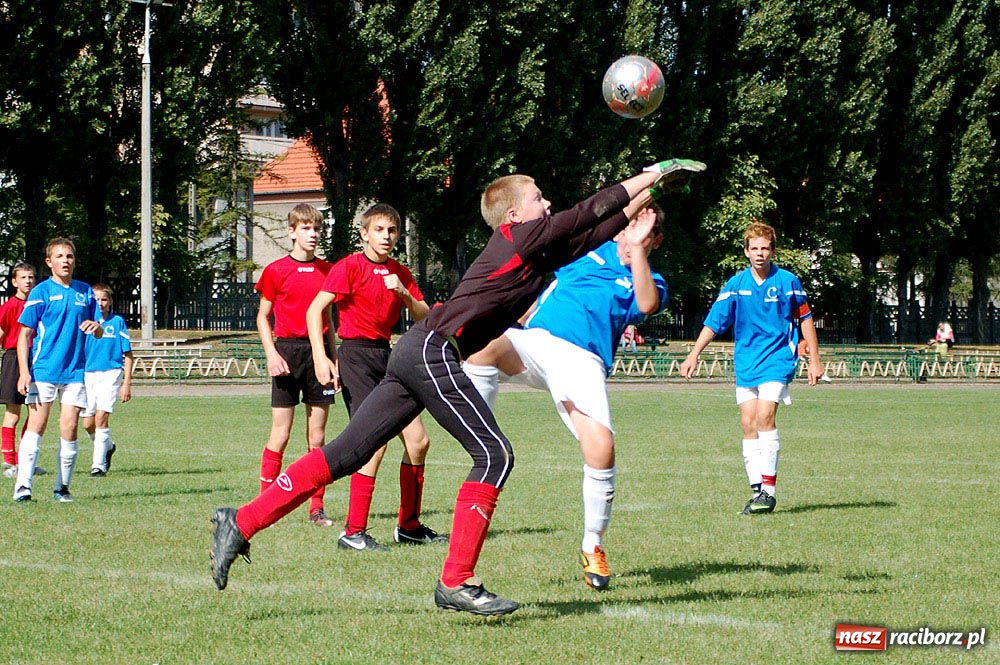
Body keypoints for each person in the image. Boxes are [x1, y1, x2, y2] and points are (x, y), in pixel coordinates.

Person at [210, 158, 706, 616]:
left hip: (415, 349)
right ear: (515, 213)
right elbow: (586, 212)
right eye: (538, 198)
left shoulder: (535, 250)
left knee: (343, 453)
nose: (547, 203)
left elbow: (599, 225)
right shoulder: (517, 236)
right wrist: (652, 171)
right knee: (495, 456)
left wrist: (647, 196)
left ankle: (243, 521)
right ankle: (456, 580)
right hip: (433, 350)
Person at [462, 206, 666, 591]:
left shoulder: (647, 276)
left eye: (643, 230)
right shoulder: (587, 250)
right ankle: (480, 441)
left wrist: (638, 249)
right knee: (480, 344)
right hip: (536, 344)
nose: (630, 235)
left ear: (655, 240)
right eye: (629, 226)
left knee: (601, 448)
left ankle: (593, 544)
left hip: (581, 361)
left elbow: (647, 306)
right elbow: (541, 284)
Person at [306, 203, 444, 552]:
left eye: (392, 231)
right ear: (364, 233)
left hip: (389, 356)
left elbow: (424, 314)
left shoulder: (399, 272)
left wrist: (405, 294)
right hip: (356, 357)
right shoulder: (348, 267)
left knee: (418, 441)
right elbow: (314, 311)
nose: (386, 236)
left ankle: (409, 526)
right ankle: (353, 532)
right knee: (374, 442)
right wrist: (322, 358)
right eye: (379, 230)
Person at [680, 221, 823, 515]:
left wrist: (815, 360)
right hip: (746, 361)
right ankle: (756, 488)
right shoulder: (736, 285)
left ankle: (769, 491)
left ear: (772, 251)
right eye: (754, 248)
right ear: (746, 252)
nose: (760, 253)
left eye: (765, 248)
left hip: (777, 359)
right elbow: (714, 322)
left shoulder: (787, 281)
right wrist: (694, 354)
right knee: (748, 423)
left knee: (764, 416)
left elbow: (806, 318)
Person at [254, 204, 338, 526]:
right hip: (287, 353)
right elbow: (263, 317)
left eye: (316, 229)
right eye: (306, 228)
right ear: (291, 232)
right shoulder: (275, 271)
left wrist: (335, 360)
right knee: (281, 434)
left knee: (316, 437)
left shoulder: (328, 271)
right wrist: (272, 354)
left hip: (319, 355)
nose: (313, 234)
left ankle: (316, 508)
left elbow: (328, 318)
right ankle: (264, 506)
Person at [14, 238, 103, 502]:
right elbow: (24, 335)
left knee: (70, 428)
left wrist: (96, 328)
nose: (65, 261)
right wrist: (24, 371)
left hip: (75, 372)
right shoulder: (41, 292)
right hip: (43, 371)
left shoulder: (84, 292)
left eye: (70, 256)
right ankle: (23, 486)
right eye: (60, 256)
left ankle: (61, 488)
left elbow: (98, 329)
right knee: (37, 426)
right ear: (49, 262)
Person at [81, 284, 134, 476]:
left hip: (111, 374)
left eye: (104, 299)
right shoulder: (85, 323)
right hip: (88, 375)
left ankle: (98, 465)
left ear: (110, 301)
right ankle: (109, 446)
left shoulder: (117, 322)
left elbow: (128, 354)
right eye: (96, 300)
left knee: (102, 417)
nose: (100, 303)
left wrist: (126, 383)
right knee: (88, 424)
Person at [0, 263, 37, 478]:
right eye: (23, 277)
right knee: (13, 412)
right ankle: (9, 462)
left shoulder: (38, 303)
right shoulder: (9, 307)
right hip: (14, 358)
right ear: (14, 282)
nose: (28, 281)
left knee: (34, 412)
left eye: (31, 277)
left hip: (36, 358)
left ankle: (25, 460)